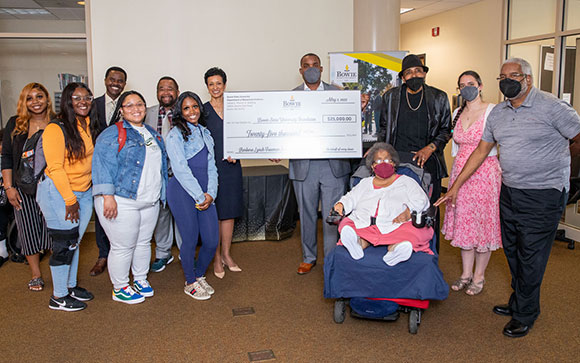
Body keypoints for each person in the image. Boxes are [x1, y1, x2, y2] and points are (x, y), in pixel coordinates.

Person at [436, 58, 580, 338]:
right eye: (503, 76)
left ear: (528, 78)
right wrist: (455, 186)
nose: (508, 80)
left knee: (531, 255)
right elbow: (481, 151)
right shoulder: (499, 113)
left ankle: (525, 313)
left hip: (544, 193)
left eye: (514, 75)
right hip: (509, 190)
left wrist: (562, 166)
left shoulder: (552, 106)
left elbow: (577, 136)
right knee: (513, 251)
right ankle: (517, 302)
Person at [93, 91, 168, 305]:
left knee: (143, 243)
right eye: (129, 105)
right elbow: (102, 166)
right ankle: (120, 287)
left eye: (140, 104)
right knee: (123, 246)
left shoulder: (153, 133)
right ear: (122, 110)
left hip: (149, 200)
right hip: (120, 199)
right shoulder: (111, 133)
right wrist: (107, 196)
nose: (136, 109)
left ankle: (141, 279)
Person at [378, 54, 451, 252]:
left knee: (428, 210)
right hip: (398, 163)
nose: (414, 75)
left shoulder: (439, 97)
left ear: (424, 73)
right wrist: (384, 156)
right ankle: (397, 250)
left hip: (428, 162)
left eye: (418, 71)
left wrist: (431, 147)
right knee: (397, 208)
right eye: (409, 73)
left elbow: (447, 130)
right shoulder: (391, 97)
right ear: (403, 77)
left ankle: (430, 252)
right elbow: (383, 129)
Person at [36, 82, 99, 311]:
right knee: (64, 243)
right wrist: (70, 200)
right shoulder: (56, 128)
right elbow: (55, 168)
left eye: (87, 98)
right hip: (59, 192)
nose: (83, 102)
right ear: (67, 101)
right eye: (77, 98)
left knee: (74, 242)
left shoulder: (87, 123)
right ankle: (59, 296)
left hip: (83, 191)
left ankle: (70, 286)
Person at [441, 71, 501, 296]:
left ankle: (479, 276)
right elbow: (456, 148)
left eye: (471, 83)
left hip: (484, 173)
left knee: (482, 223)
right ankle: (466, 274)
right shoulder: (457, 112)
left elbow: (495, 145)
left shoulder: (492, 111)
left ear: (481, 85)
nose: (467, 87)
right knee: (465, 222)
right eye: (462, 85)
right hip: (460, 174)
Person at [291, 53, 350, 275]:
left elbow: (349, 125)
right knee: (306, 214)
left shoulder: (339, 94)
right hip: (303, 164)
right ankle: (309, 257)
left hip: (332, 164)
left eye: (315, 65)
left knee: (332, 214)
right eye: (306, 66)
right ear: (300, 71)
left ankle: (332, 258)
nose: (311, 69)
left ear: (322, 69)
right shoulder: (290, 97)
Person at [333, 143, 433, 265]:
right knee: (346, 225)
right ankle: (357, 244)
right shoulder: (365, 183)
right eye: (378, 160)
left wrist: (408, 211)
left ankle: (395, 250)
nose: (383, 163)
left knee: (415, 233)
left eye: (387, 160)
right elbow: (351, 198)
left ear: (394, 163)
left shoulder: (407, 182)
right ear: (372, 165)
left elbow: (422, 200)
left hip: (395, 225)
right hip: (364, 223)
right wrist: (341, 205)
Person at [166, 92, 219, 300]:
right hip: (182, 191)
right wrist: (199, 196)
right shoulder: (175, 135)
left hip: (206, 194)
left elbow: (212, 166)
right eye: (186, 108)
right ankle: (190, 281)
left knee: (211, 240)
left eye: (195, 106)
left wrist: (211, 195)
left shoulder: (205, 133)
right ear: (180, 111)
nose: (192, 111)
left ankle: (199, 274)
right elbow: (180, 169)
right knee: (189, 238)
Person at [1, 83, 53, 288]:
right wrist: (8, 187)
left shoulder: (58, 122)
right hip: (22, 187)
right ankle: (35, 273)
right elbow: (6, 158)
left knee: (55, 231)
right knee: (28, 229)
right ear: (24, 102)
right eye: (29, 98)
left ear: (47, 99)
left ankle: (59, 272)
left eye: (39, 96)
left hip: (52, 187)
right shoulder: (15, 124)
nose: (35, 102)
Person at [203, 67, 243, 279]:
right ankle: (216, 258)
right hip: (210, 168)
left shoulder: (236, 107)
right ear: (207, 87)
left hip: (232, 167)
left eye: (219, 83)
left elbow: (245, 133)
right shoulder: (202, 110)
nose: (215, 87)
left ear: (225, 85)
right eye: (211, 84)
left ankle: (227, 255)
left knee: (229, 212)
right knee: (214, 213)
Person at [90, 66, 127, 276]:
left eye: (120, 80)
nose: (116, 83)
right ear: (105, 80)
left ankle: (120, 253)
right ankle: (103, 255)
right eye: (112, 79)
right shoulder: (92, 105)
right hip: (98, 166)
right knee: (101, 210)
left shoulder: (128, 106)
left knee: (122, 211)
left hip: (121, 167)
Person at [145, 76, 182, 272]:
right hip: (157, 174)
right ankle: (163, 254)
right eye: (161, 88)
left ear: (177, 91)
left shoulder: (186, 111)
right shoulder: (146, 113)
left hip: (180, 173)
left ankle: (185, 253)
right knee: (161, 215)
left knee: (183, 215)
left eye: (170, 88)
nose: (165, 92)